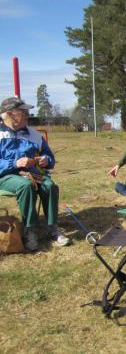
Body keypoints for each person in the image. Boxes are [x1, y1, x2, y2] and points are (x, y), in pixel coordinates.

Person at [0, 97, 70, 251]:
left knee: (49, 185)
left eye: (27, 112)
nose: (27, 115)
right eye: (23, 112)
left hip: (33, 173)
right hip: (5, 176)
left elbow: (50, 157)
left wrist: (46, 160)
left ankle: (53, 227)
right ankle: (29, 230)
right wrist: (15, 163)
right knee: (25, 186)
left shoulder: (34, 134)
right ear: (9, 114)